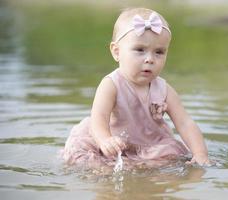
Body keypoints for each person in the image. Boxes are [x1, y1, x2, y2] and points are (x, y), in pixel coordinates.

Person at [62, 7, 211, 169]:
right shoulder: (111, 85)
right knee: (92, 163)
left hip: (150, 145)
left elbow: (185, 123)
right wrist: (105, 140)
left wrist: (200, 153)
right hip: (114, 142)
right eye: (140, 50)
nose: (150, 59)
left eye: (159, 52)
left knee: (171, 157)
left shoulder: (164, 89)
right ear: (117, 52)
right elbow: (99, 119)